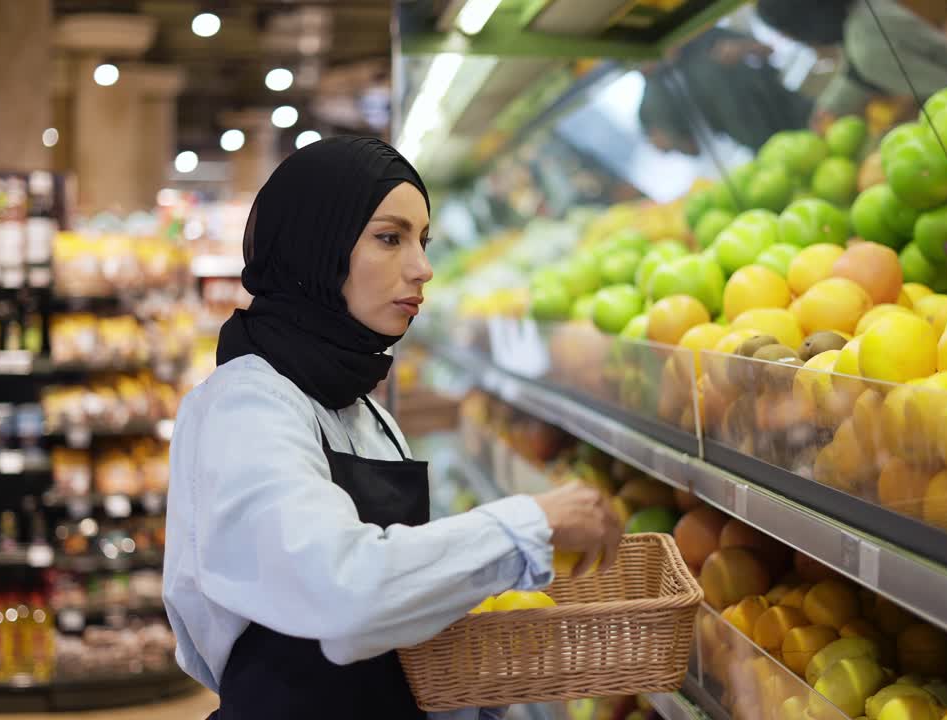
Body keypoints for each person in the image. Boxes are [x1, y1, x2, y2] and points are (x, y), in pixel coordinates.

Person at [162, 136, 623, 720]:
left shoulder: (363, 410)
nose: (422, 268)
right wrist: (531, 524)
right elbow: (342, 593)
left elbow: (396, 630)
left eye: (423, 241)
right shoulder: (245, 407)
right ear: (317, 245)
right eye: (390, 237)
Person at [755, 0, 947, 129]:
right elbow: (856, 69)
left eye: (785, 31)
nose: (790, 39)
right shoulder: (858, 15)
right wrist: (829, 107)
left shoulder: (867, 47)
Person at [638, 25, 813, 154]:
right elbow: (694, 149)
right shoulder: (660, 91)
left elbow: (767, 49)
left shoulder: (702, 35)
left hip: (798, 114)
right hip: (763, 147)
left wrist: (742, 48)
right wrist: (670, 142)